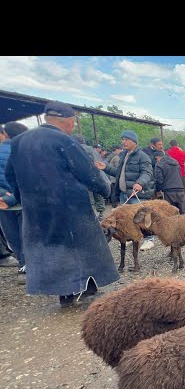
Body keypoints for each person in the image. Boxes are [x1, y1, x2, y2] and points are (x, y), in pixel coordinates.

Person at [5, 101, 119, 307]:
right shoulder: (63, 140)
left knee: (54, 251)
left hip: (38, 211)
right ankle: (87, 291)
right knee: (81, 247)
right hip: (70, 207)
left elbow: (10, 176)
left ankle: (65, 294)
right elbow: (88, 173)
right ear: (68, 121)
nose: (73, 126)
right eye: (73, 122)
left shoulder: (19, 142)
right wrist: (105, 189)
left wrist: (24, 201)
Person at [99, 129, 155, 250]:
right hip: (124, 193)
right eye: (122, 139)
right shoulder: (124, 155)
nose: (123, 142)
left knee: (142, 216)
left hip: (137, 193)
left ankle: (149, 239)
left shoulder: (142, 156)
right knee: (127, 218)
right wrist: (106, 168)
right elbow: (119, 173)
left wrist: (140, 182)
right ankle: (132, 236)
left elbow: (148, 172)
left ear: (134, 141)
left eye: (126, 139)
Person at [0, 122, 29, 283]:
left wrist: (4, 197)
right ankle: (28, 265)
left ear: (5, 133)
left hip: (3, 204)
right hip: (24, 201)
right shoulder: (25, 151)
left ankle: (22, 266)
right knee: (27, 235)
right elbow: (28, 178)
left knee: (13, 237)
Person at [154, 150, 185, 214]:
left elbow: (159, 180)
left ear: (157, 157)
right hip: (180, 189)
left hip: (168, 191)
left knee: (170, 214)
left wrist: (157, 190)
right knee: (182, 214)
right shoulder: (176, 162)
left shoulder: (159, 164)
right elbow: (180, 175)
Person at [166, 140, 185, 204]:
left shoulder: (167, 153)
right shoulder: (182, 153)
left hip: (171, 174)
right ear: (178, 144)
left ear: (170, 145)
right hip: (182, 173)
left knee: (173, 189)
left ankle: (174, 202)